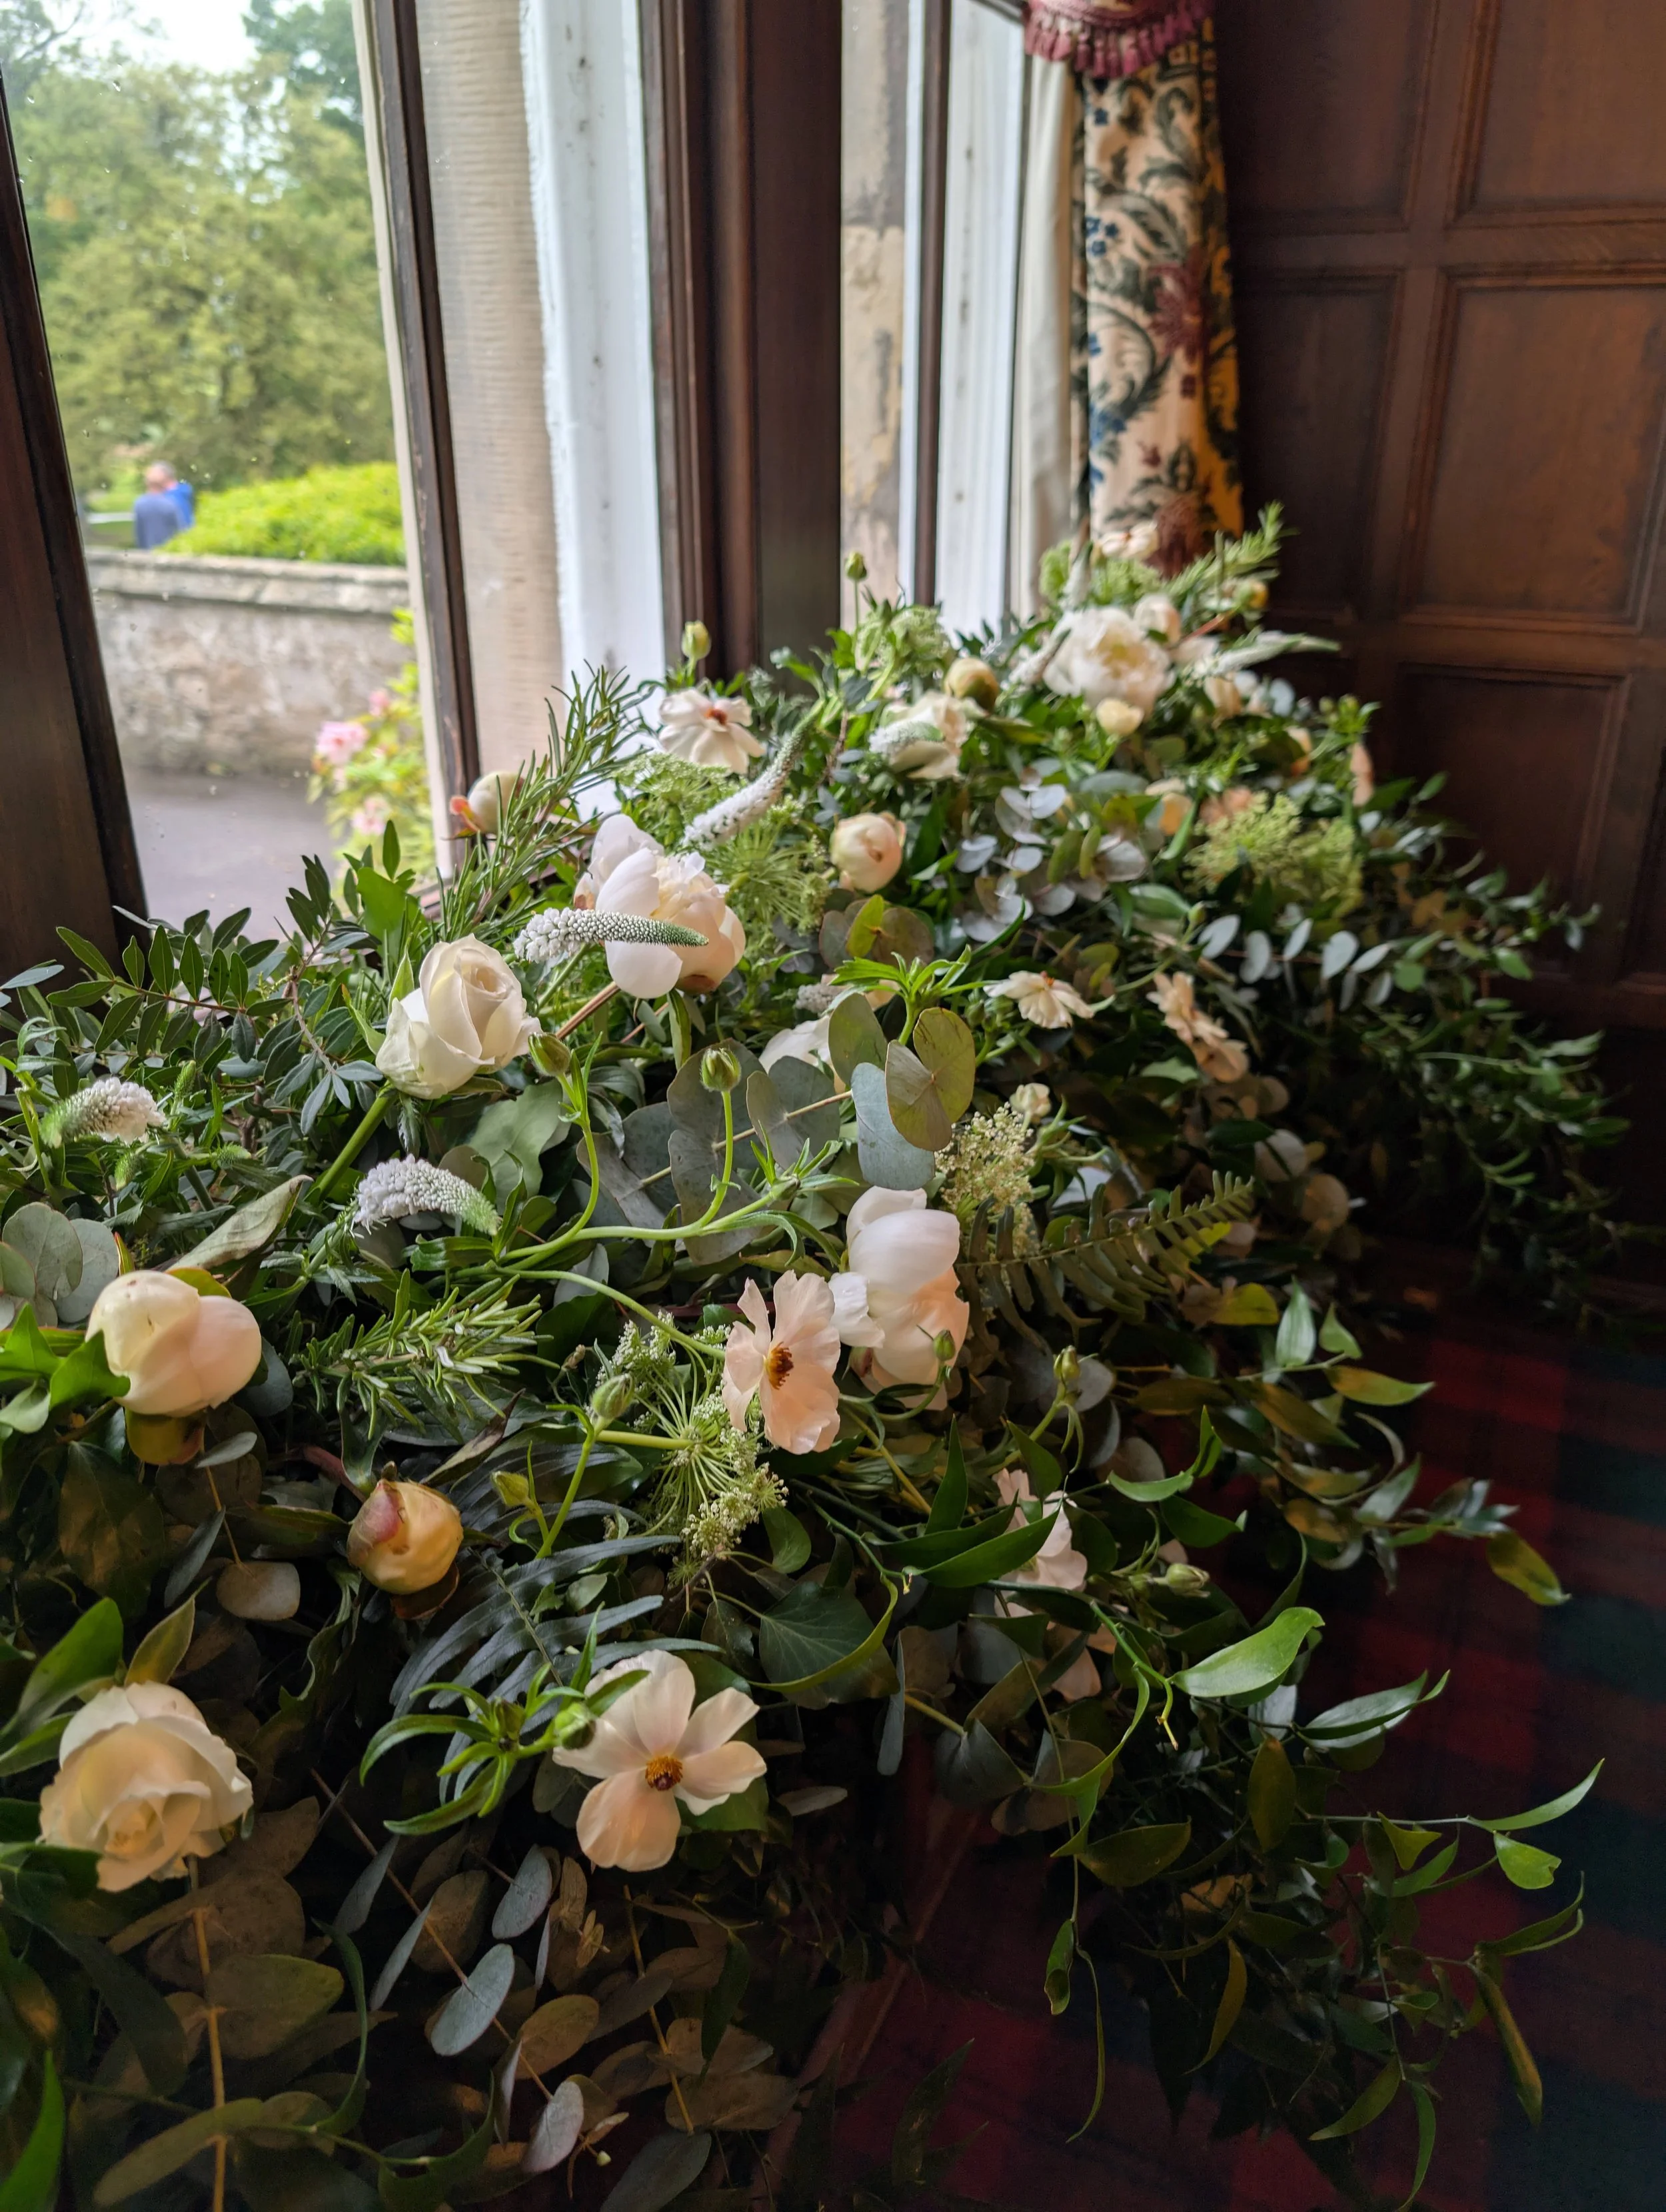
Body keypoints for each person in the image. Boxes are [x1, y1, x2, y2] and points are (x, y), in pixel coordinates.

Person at [132, 463, 187, 550]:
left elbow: (139, 534)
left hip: (147, 553)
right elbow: (181, 531)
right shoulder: (170, 504)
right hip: (167, 552)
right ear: (164, 483)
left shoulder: (139, 504)